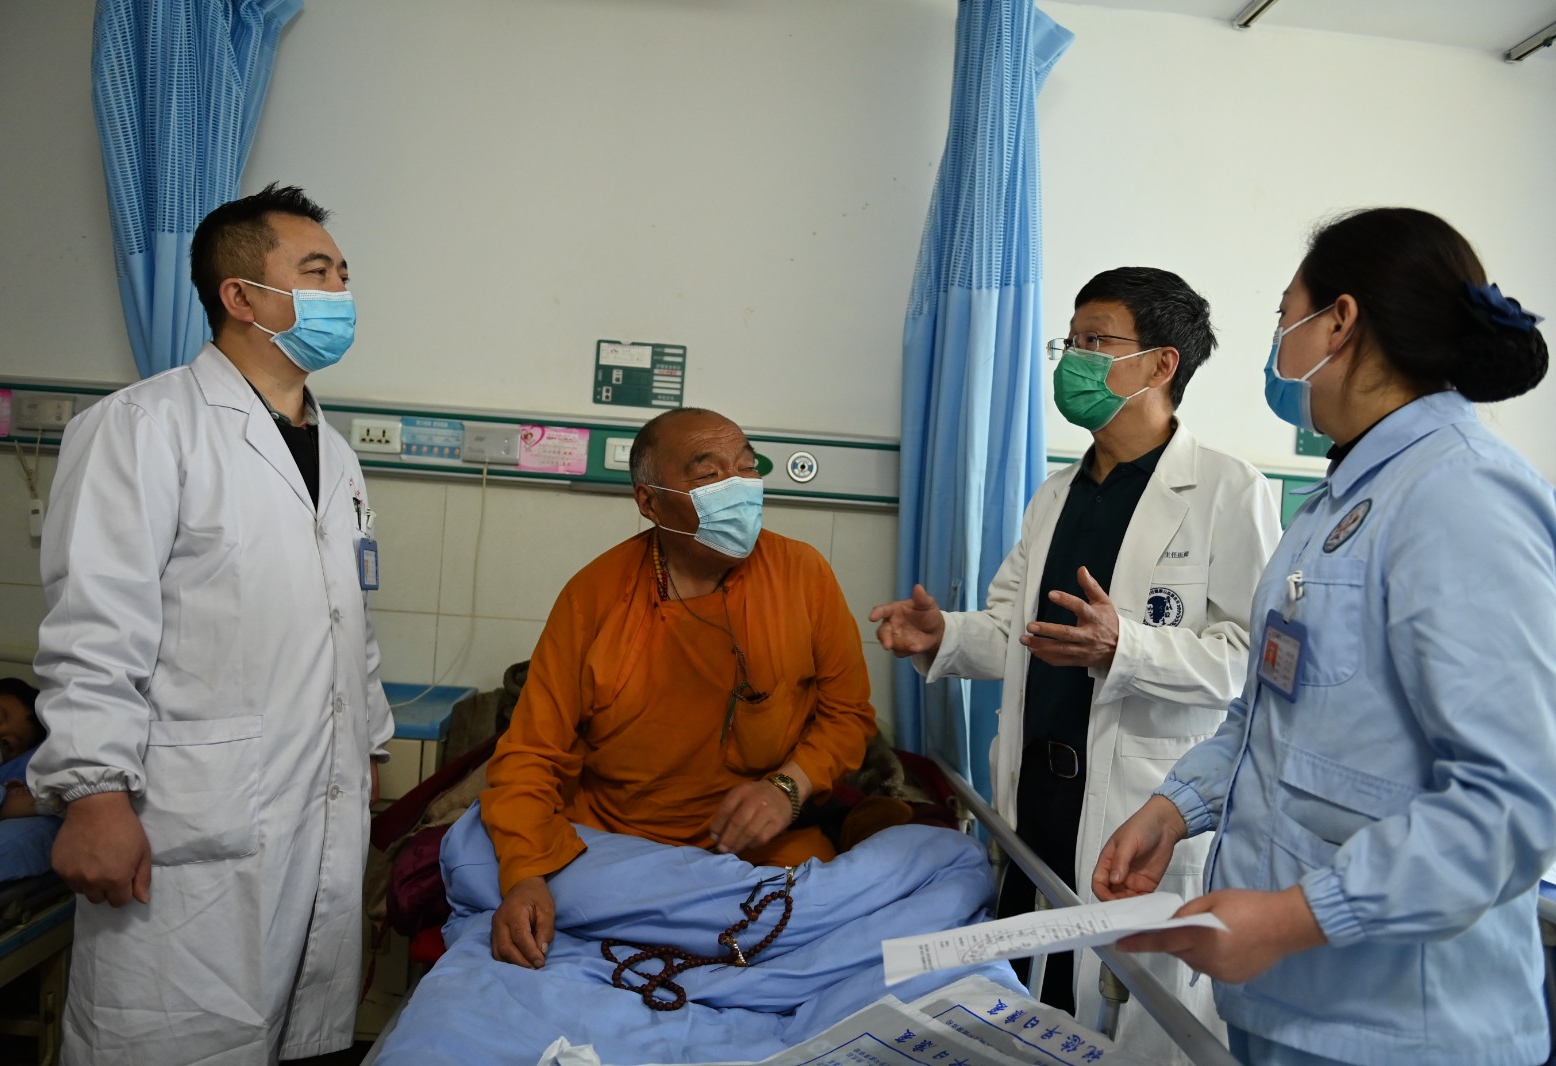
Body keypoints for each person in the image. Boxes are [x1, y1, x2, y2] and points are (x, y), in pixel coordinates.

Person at [1097, 207, 1556, 1066]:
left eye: (1285, 318)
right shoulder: (1337, 505)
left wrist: (1292, 919)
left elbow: (1512, 802)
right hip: (1294, 1008)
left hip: (1402, 1032)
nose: (1278, 349)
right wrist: (1177, 807)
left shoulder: (1459, 495)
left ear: (1339, 321)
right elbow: (1269, 716)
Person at [871, 267, 1279, 1062]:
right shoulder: (1055, 495)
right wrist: (941, 635)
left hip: (1139, 797)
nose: (1073, 359)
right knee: (1040, 1000)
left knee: (1130, 1014)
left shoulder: (1229, 491)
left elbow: (1246, 665)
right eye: (1070, 340)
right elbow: (1013, 632)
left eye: (1096, 341)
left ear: (1161, 364)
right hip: (1039, 791)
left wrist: (1125, 645)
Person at [29, 183, 394, 1065]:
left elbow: (350, 618)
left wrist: (371, 745)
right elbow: (94, 627)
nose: (340, 293)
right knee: (170, 1037)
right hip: (187, 816)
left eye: (344, 275)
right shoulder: (142, 428)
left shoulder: (336, 455)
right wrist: (93, 794)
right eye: (317, 273)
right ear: (241, 296)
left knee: (286, 1032)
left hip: (315, 803)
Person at [483, 406, 878, 969]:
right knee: (474, 854)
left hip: (760, 848)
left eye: (747, 467)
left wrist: (786, 789)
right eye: (710, 475)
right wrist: (525, 875)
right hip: (619, 847)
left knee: (858, 905)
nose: (738, 487)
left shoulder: (802, 574)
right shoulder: (594, 597)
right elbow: (530, 753)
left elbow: (849, 716)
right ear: (649, 502)